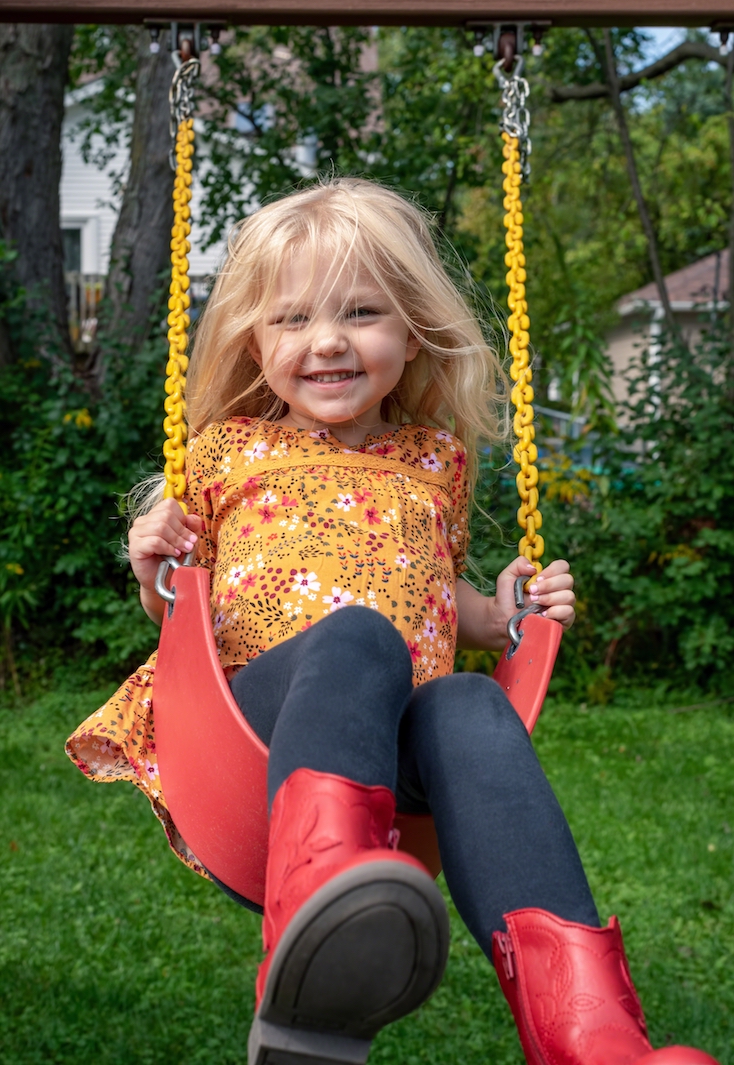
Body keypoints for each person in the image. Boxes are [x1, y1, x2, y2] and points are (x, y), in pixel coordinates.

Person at [67, 179, 718, 1065]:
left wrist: (510, 614)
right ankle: (319, 911)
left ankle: (593, 1035)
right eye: (291, 319)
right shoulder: (227, 451)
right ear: (255, 344)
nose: (327, 341)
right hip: (255, 731)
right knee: (358, 635)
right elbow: (183, 610)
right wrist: (156, 568)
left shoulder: (434, 461)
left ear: (410, 332)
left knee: (466, 704)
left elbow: (444, 600)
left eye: (363, 311)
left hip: (394, 766)